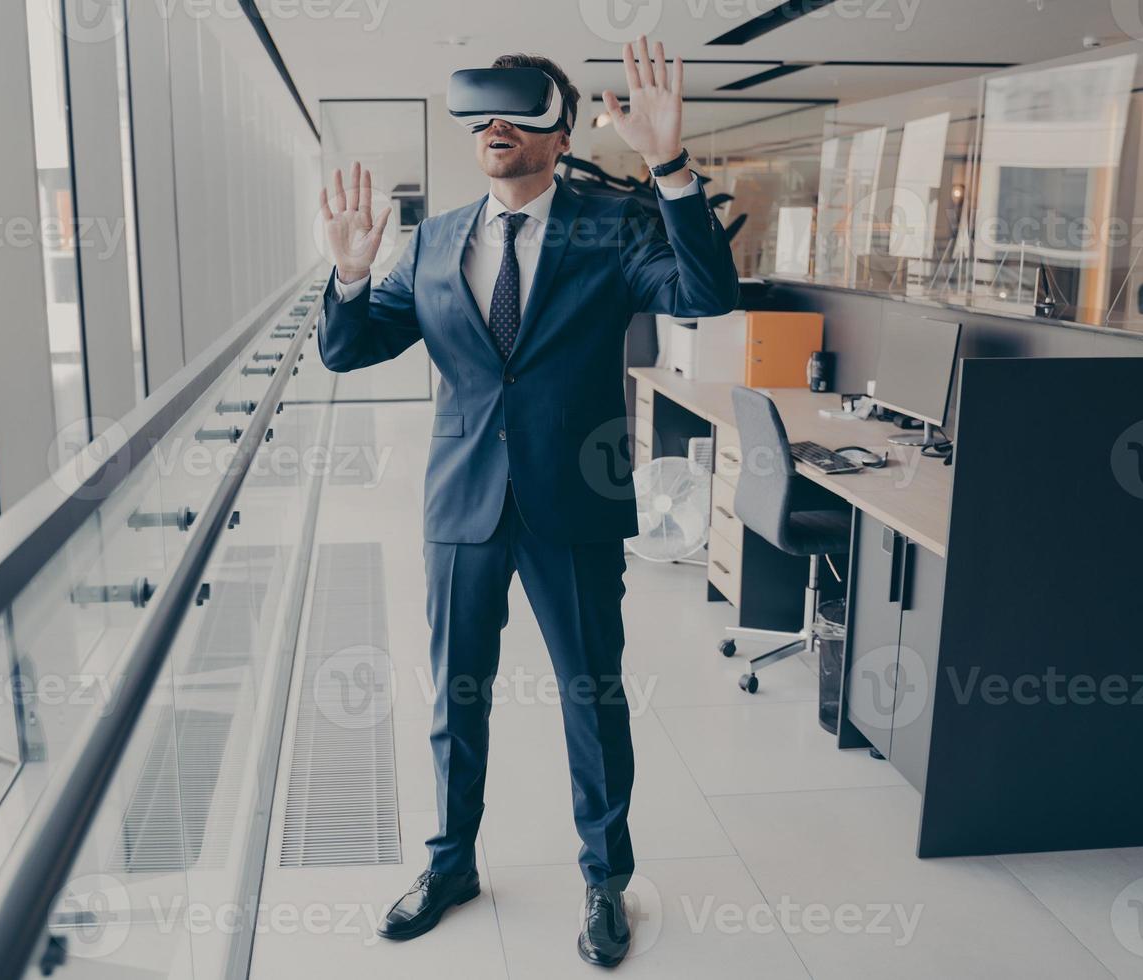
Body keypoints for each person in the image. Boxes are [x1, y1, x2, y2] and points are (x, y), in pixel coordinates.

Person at [317, 37, 738, 968]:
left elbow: (707, 296)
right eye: (481, 113)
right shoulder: (431, 243)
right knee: (455, 699)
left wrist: (667, 165)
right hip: (462, 503)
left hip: (574, 502)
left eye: (516, 109)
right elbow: (347, 352)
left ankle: (603, 882)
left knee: (592, 696)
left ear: (561, 128)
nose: (494, 126)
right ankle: (451, 864)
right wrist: (350, 276)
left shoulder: (614, 224)